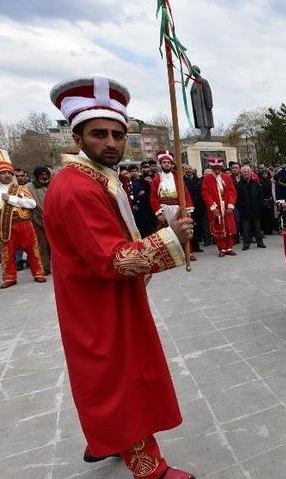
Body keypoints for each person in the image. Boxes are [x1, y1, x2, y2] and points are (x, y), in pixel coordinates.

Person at [45, 76, 195, 479]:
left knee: (106, 377)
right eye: (99, 134)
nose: (111, 142)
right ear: (78, 137)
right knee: (121, 380)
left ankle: (104, 439)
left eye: (117, 134)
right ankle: (150, 469)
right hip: (99, 302)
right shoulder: (76, 189)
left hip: (102, 298)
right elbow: (111, 260)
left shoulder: (95, 177)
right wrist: (170, 239)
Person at [0, 148, 47, 289]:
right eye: (3, 173)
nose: (6, 175)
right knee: (7, 253)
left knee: (33, 250)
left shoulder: (20, 188)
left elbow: (32, 204)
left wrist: (11, 199)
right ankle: (9, 277)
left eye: (8, 173)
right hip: (5, 225)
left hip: (24, 224)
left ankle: (38, 273)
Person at [150, 151, 195, 260]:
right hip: (164, 208)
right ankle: (171, 255)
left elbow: (185, 193)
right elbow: (153, 197)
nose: (166, 164)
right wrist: (158, 213)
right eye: (164, 162)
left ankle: (188, 252)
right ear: (161, 164)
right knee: (166, 233)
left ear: (171, 164)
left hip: (177, 208)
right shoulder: (156, 179)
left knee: (183, 229)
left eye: (168, 162)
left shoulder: (178, 178)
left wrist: (187, 209)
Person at [201, 156, 237, 257]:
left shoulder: (227, 177)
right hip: (215, 207)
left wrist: (231, 205)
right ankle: (222, 248)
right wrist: (213, 207)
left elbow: (232, 192)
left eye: (218, 168)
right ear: (212, 168)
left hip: (226, 205)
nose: (217, 171)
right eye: (214, 169)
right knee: (218, 227)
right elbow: (205, 194)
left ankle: (229, 247)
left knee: (229, 226)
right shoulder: (207, 179)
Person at [25, 166, 52, 274]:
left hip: (52, 220)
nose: (44, 177)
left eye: (46, 175)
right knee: (42, 245)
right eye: (41, 175)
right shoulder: (28, 187)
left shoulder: (52, 185)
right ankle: (44, 267)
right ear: (36, 177)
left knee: (54, 244)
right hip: (37, 220)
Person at [235, 165, 266, 250]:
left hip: (255, 209)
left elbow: (260, 195)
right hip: (245, 210)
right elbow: (237, 198)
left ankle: (260, 242)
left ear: (251, 172)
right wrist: (242, 205)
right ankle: (246, 244)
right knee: (246, 228)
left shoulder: (255, 183)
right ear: (241, 173)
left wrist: (259, 204)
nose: (246, 173)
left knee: (257, 227)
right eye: (244, 172)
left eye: (248, 172)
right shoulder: (239, 185)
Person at [183, 165, 206, 254]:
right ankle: (189, 247)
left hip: (198, 207)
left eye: (190, 169)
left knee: (197, 227)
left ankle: (197, 246)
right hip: (187, 207)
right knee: (188, 227)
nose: (189, 171)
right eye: (187, 169)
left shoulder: (198, 180)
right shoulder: (182, 180)